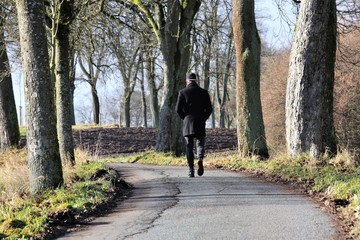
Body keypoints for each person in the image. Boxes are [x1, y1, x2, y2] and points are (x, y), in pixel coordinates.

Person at [175, 73, 213, 177]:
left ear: (187, 81)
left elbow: (178, 109)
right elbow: (209, 109)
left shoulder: (182, 92)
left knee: (189, 146)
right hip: (200, 121)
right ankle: (200, 158)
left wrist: (185, 117)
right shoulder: (204, 92)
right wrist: (204, 118)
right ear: (196, 81)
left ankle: (191, 170)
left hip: (188, 122)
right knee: (200, 143)